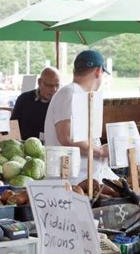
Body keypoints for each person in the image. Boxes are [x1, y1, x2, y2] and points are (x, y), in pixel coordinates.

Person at [44, 50, 117, 183]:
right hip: (73, 183)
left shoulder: (80, 94)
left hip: (87, 179)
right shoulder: (70, 93)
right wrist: (100, 151)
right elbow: (66, 137)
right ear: (98, 71)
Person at [11, 67, 60, 140]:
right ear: (39, 82)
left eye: (57, 85)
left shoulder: (60, 102)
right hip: (25, 146)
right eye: (49, 85)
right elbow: (13, 125)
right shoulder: (23, 99)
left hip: (52, 147)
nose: (54, 89)